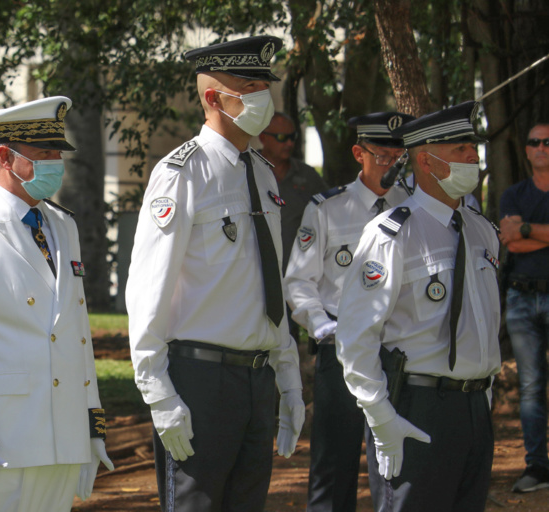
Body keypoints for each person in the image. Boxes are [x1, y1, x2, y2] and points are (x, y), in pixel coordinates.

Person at [126, 35, 306, 512]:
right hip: (199, 381)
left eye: (264, 87)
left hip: (256, 379)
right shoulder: (182, 173)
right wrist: (158, 392)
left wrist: (288, 378)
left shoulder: (264, 174)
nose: (262, 99)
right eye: (249, 87)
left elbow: (268, 284)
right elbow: (147, 289)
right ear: (213, 98)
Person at [0, 96, 113, 512]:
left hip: (64, 434)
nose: (55, 163)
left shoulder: (63, 225)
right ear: (7, 157)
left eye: (57, 153)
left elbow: (77, 334)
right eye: (44, 153)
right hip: (4, 438)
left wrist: (90, 426)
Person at [335, 101, 501, 511]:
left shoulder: (482, 230)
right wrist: (380, 416)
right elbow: (356, 335)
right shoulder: (393, 234)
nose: (472, 156)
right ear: (426, 160)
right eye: (461, 148)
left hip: (475, 409)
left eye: (472, 147)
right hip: (419, 407)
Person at [284, 112, 413, 512]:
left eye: (398, 155)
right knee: (334, 460)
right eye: (381, 154)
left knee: (394, 462)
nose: (391, 163)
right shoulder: (327, 208)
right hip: (339, 348)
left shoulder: (415, 210)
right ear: (359, 153)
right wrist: (321, 325)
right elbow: (298, 280)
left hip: (397, 351)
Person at [498, 121, 549, 493]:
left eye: (548, 142)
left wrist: (526, 229)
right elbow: (510, 244)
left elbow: (519, 235)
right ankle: (537, 467)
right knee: (531, 387)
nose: (542, 147)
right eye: (535, 142)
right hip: (519, 297)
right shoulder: (513, 194)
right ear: (526, 149)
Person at [259, 112, 328, 269]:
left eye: (293, 137)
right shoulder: (247, 172)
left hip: (298, 273)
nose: (289, 143)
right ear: (263, 138)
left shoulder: (307, 176)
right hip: (257, 272)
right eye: (282, 138)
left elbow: (330, 213)